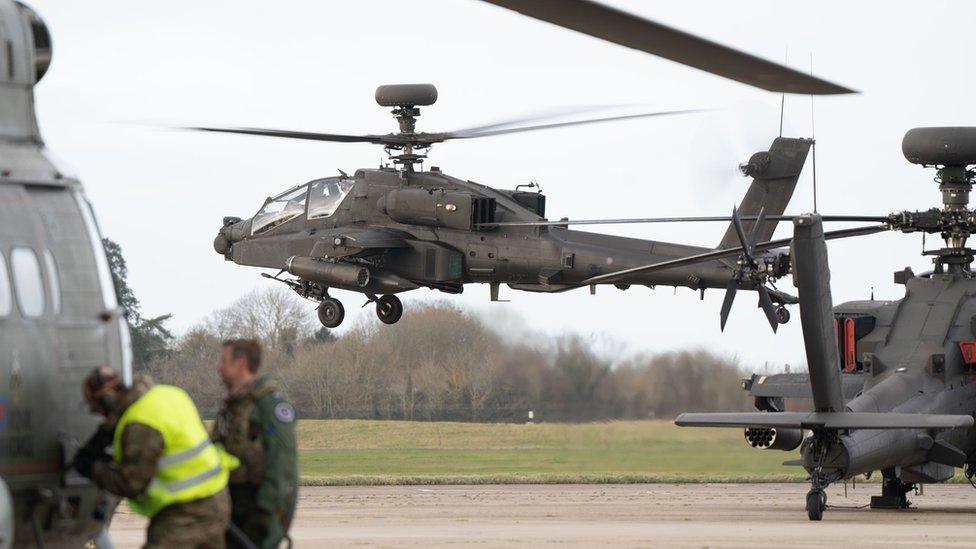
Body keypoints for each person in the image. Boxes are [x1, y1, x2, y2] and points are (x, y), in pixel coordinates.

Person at [73, 367, 237, 549]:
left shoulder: (140, 423)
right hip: (216, 498)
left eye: (94, 407)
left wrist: (94, 467)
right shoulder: (167, 394)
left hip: (187, 511)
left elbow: (131, 484)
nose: (96, 414)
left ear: (107, 399)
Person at [212, 339, 298, 549]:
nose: (219, 367)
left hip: (256, 516)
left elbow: (282, 465)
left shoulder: (268, 404)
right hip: (233, 512)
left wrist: (263, 517)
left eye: (224, 360)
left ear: (240, 362)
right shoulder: (233, 407)